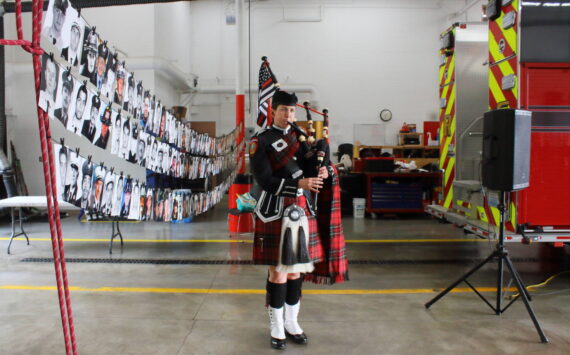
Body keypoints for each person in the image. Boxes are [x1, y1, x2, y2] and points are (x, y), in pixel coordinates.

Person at [250, 90, 334, 350]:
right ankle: (276, 326)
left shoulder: (302, 139)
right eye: (284, 110)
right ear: (273, 110)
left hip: (301, 207)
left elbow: (320, 169)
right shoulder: (261, 141)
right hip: (274, 210)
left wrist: (324, 169)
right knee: (278, 272)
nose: (289, 115)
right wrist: (299, 182)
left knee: (296, 269)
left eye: (292, 110)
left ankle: (291, 322)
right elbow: (264, 181)